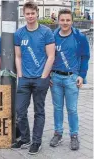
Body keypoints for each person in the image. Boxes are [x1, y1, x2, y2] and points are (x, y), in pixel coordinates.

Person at [12, 1, 55, 155]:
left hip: (40, 79)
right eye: (27, 13)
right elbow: (18, 56)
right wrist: (20, 75)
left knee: (39, 111)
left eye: (32, 13)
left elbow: (51, 56)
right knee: (20, 111)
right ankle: (25, 138)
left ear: (37, 13)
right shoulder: (19, 33)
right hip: (24, 79)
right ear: (24, 14)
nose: (30, 16)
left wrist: (44, 77)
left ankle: (36, 142)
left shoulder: (46, 32)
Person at [49, 9, 90, 151]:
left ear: (71, 21)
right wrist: (48, 74)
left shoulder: (79, 37)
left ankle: (74, 135)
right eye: (62, 20)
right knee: (57, 108)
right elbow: (47, 56)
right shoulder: (52, 36)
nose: (65, 23)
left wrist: (81, 75)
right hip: (55, 78)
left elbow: (85, 56)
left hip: (71, 78)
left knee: (72, 109)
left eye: (68, 20)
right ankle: (58, 133)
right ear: (58, 21)